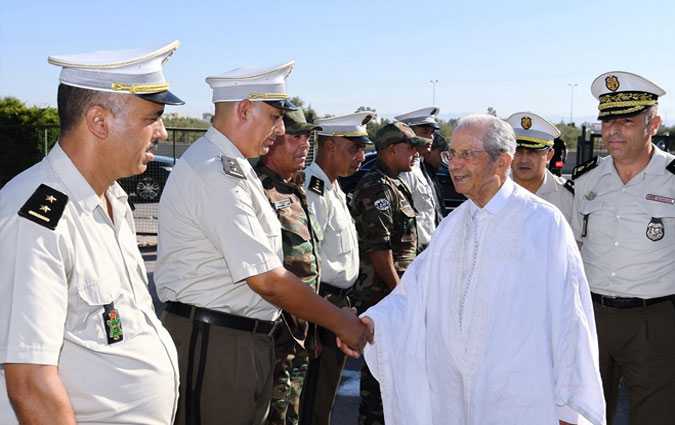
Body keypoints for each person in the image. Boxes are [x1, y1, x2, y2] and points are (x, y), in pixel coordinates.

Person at [349, 114, 606, 425]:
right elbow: (413, 294)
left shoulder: (542, 224)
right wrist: (374, 323)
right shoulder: (454, 226)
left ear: (502, 162)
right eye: (452, 154)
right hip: (456, 398)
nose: (454, 164)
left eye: (467, 154)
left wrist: (569, 408)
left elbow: (570, 319)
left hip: (519, 398)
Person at [155, 61, 368, 425]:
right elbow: (267, 278)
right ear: (243, 109)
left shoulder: (235, 168)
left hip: (244, 339)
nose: (281, 129)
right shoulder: (215, 171)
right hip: (217, 341)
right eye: (274, 117)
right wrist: (341, 323)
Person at [0, 41, 185, 424]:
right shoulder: (37, 217)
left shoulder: (113, 197)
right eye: (151, 117)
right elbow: (30, 382)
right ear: (99, 122)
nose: (162, 132)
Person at [572, 71, 675, 425]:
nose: (613, 130)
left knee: (655, 415)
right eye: (607, 121)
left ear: (653, 124)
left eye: (626, 121)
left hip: (655, 320)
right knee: (585, 412)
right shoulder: (586, 179)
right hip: (593, 315)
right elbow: (574, 248)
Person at [298, 112, 373, 425]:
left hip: (339, 301)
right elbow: (308, 258)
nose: (360, 157)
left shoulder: (334, 188)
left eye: (361, 149)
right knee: (314, 396)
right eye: (353, 149)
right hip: (323, 304)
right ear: (329, 146)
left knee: (325, 393)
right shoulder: (314, 188)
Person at [350, 122, 426, 425]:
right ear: (391, 150)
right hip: (382, 297)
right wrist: (400, 296)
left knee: (395, 379)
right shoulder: (377, 186)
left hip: (393, 296)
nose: (416, 153)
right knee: (380, 382)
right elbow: (379, 250)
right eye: (410, 147)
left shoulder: (395, 182)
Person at [254, 108, 322, 425]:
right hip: (274, 337)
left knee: (291, 413)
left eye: (307, 137)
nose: (305, 144)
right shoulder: (258, 189)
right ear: (273, 140)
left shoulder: (293, 187)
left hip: (300, 332)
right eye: (296, 136)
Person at [507, 111, 574, 223]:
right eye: (518, 151)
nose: (524, 159)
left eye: (533, 152)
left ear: (549, 155)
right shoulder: (493, 192)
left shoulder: (569, 198)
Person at [396, 107, 443, 249]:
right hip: (415, 251)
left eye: (432, 132)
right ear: (408, 135)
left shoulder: (421, 166)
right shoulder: (404, 171)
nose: (430, 138)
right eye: (424, 132)